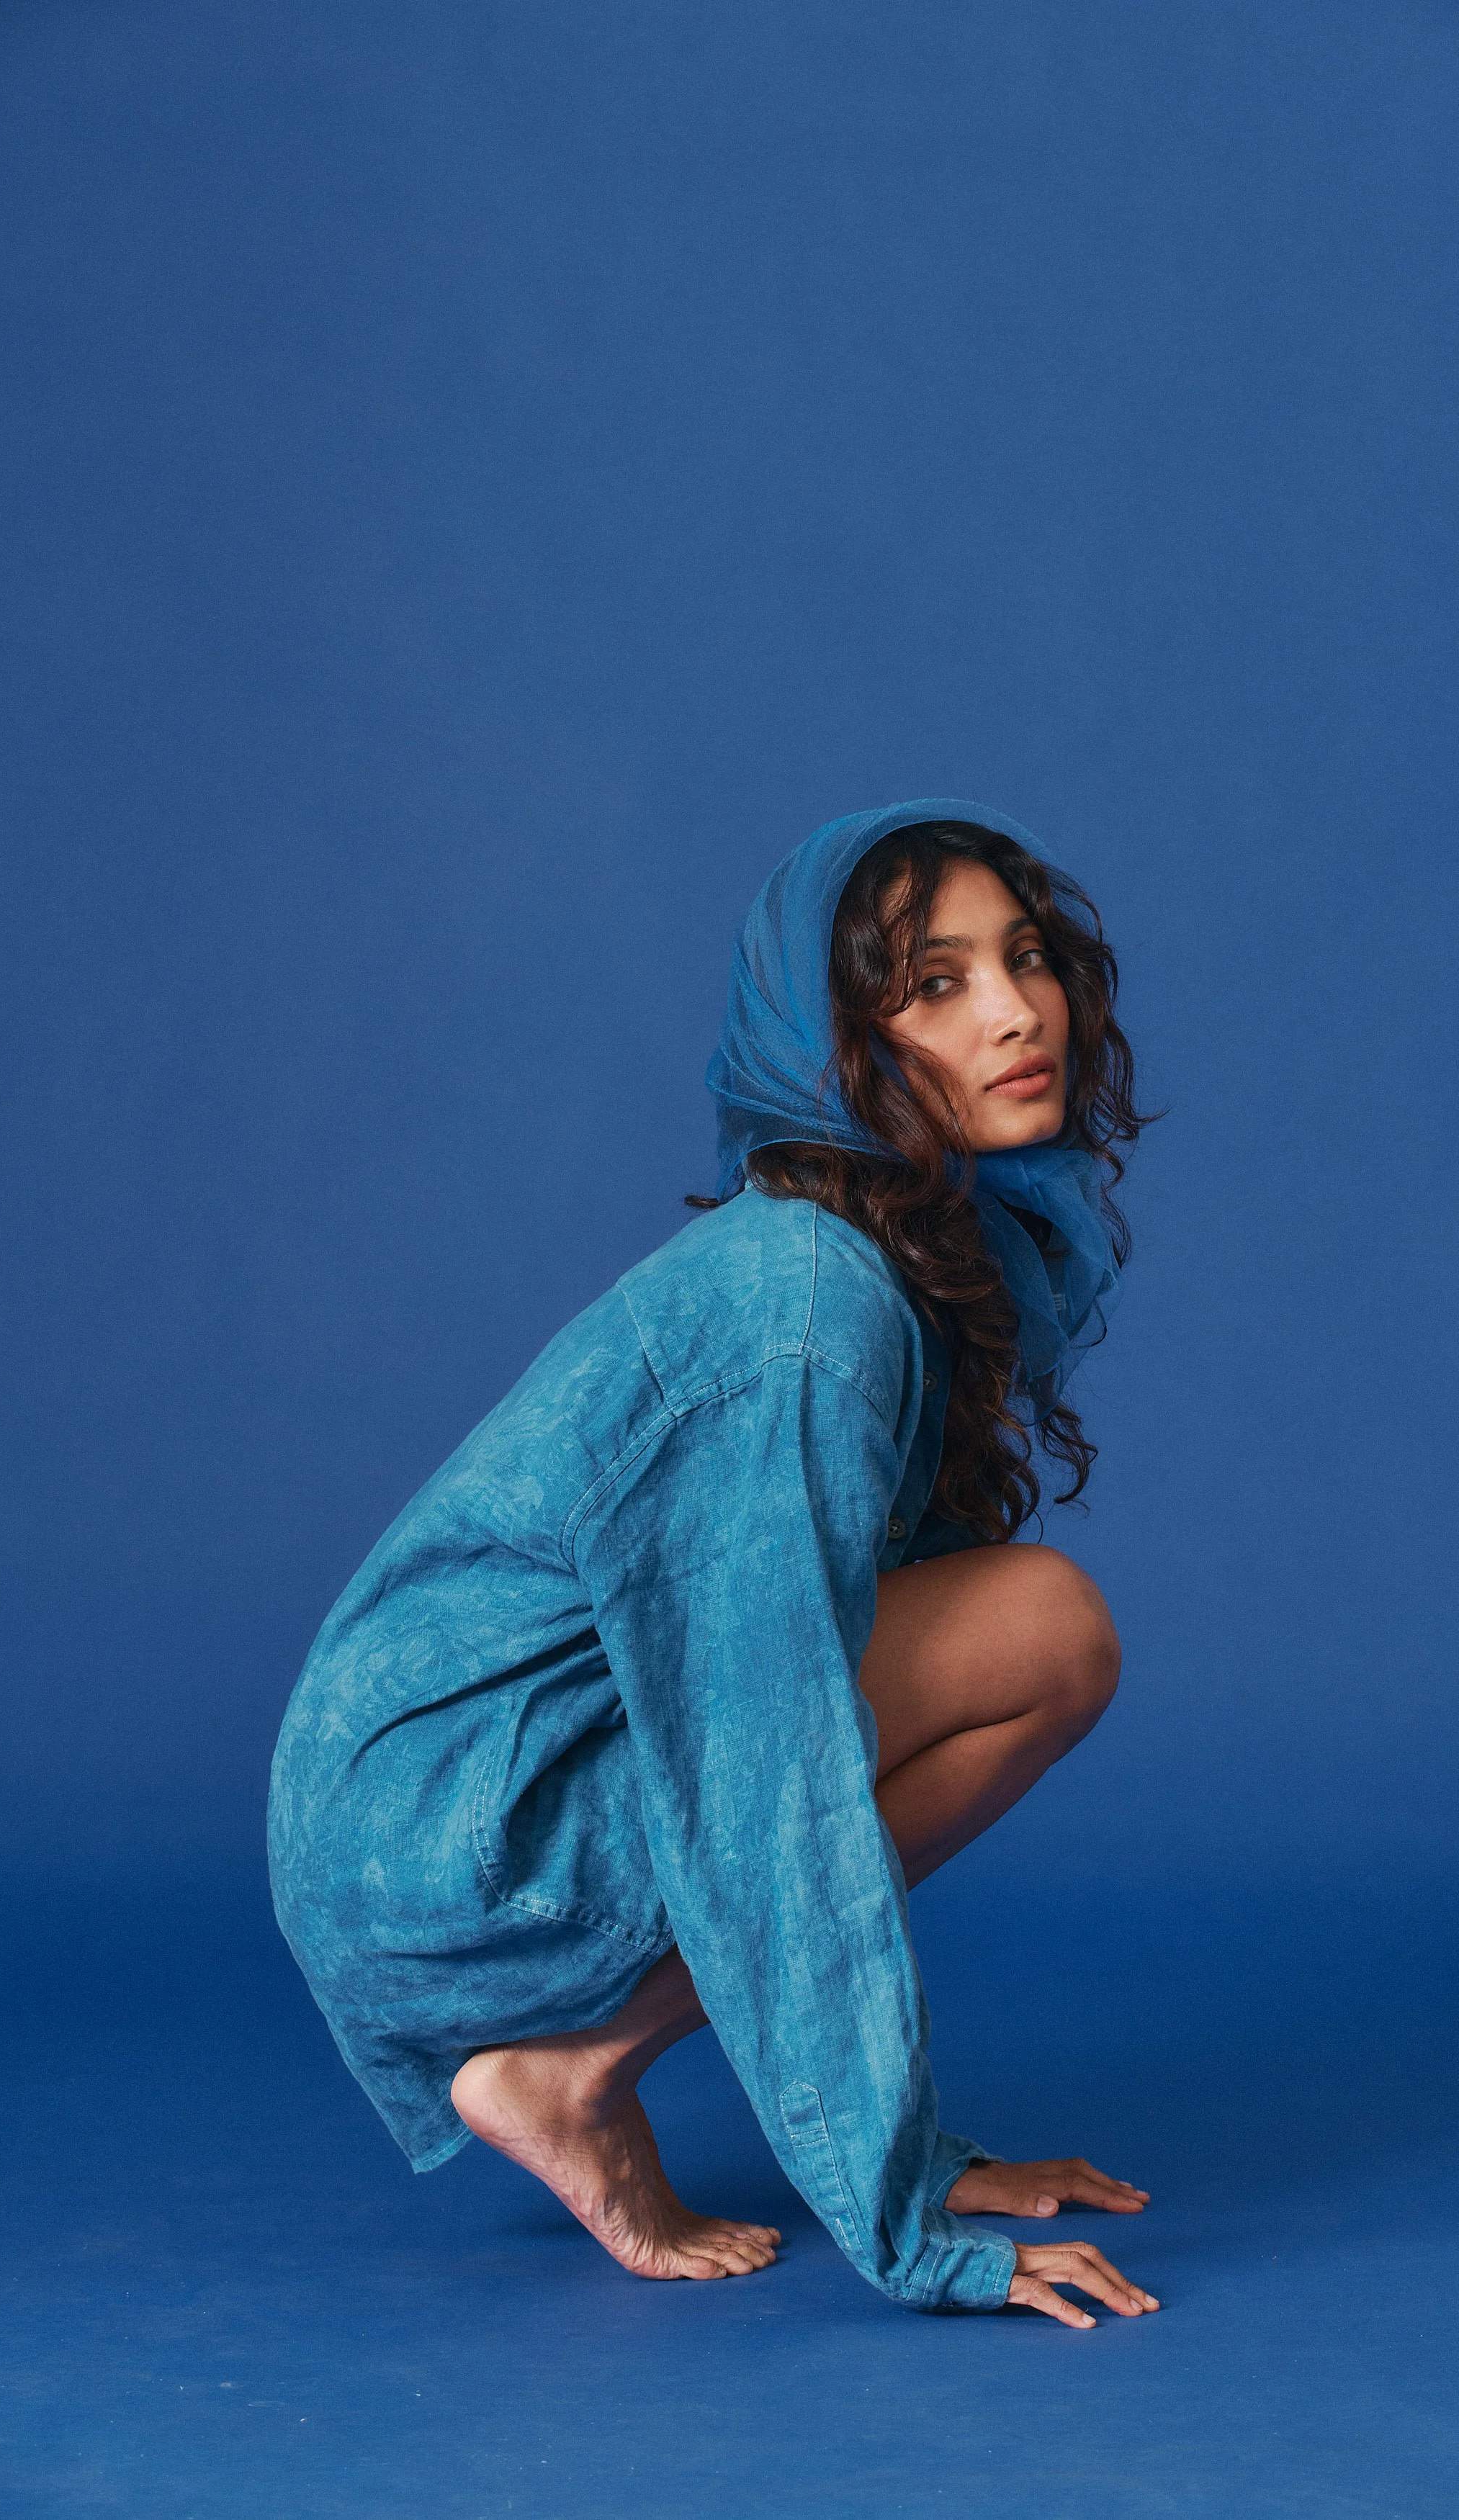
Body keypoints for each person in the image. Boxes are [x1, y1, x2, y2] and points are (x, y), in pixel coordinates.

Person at [268, 800, 1159, 2326]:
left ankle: (572, 2066)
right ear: (832, 1046)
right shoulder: (807, 1303)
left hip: (471, 1793)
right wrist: (908, 2210)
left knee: (1040, 1632)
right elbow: (765, 1770)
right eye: (934, 984)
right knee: (1040, 1630)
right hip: (445, 1833)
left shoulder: (886, 1246)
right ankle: (571, 2073)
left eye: (1025, 958)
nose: (1019, 1011)